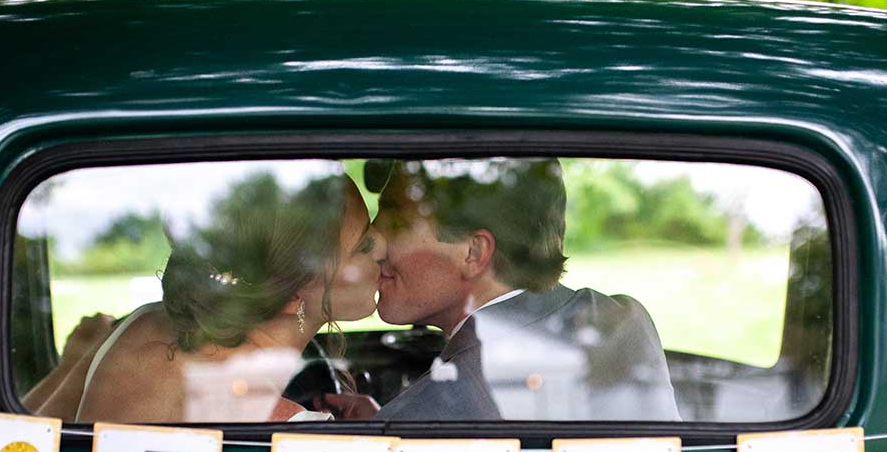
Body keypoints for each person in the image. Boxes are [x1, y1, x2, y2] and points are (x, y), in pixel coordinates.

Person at [323, 159, 678, 421]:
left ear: (473, 253)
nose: (375, 242)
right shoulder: (625, 319)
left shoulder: (421, 421)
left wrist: (388, 429)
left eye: (395, 219)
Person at [75, 174, 386, 423]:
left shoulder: (144, 322)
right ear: (293, 295)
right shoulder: (290, 431)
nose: (382, 248)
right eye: (363, 245)